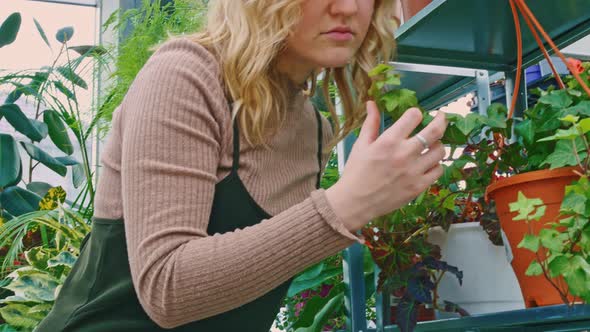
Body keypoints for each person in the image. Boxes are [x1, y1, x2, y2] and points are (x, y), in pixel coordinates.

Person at [36, 0, 447, 331]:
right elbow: (167, 289)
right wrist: (347, 204)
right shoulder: (186, 76)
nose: (347, 8)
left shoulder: (313, 130)